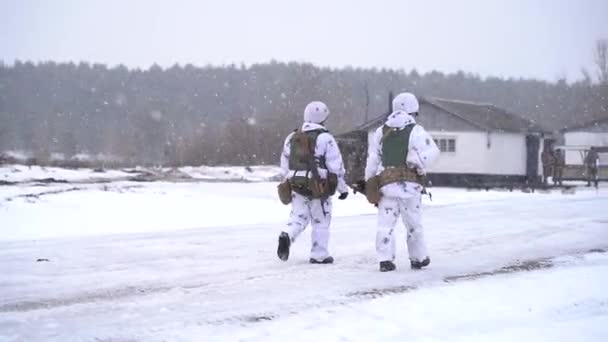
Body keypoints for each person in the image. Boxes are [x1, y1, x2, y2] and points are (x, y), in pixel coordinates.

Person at [363, 92, 440, 272]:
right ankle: (418, 258)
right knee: (413, 224)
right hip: (410, 187)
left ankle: (385, 260)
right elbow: (433, 152)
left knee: (385, 224)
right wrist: (419, 162)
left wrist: (368, 181)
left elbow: (373, 159)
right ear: (413, 111)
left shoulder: (381, 131)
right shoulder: (416, 131)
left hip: (386, 185)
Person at [276, 101, 349, 264]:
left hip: (296, 182)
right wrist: (342, 188)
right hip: (319, 184)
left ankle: (287, 234)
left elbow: (284, 162)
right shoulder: (326, 138)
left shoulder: (292, 137)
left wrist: (287, 180)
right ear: (322, 118)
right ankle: (319, 254)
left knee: (298, 217)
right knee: (321, 220)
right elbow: (336, 167)